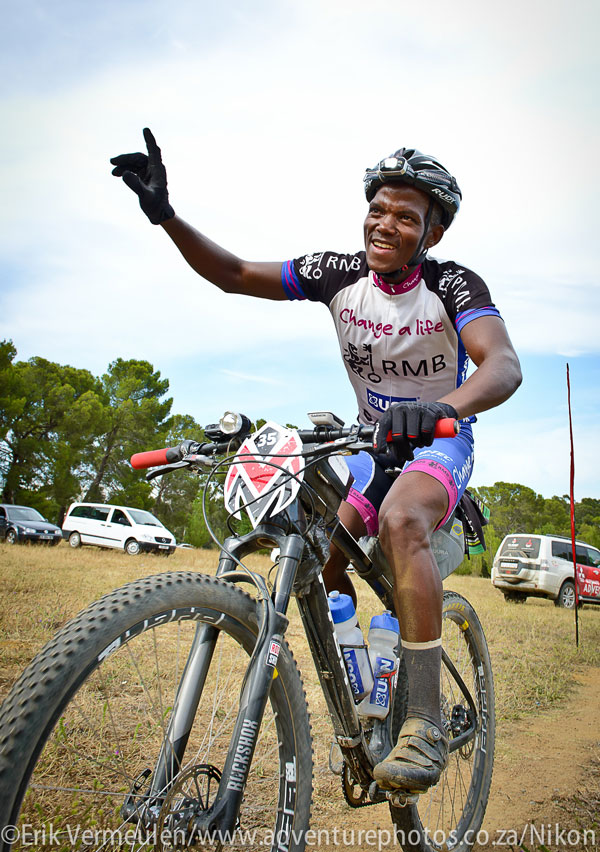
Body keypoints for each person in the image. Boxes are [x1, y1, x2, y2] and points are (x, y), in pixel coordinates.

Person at [111, 129, 522, 794]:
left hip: (437, 438)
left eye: (406, 218)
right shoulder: (339, 275)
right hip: (368, 441)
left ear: (432, 234)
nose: (384, 224)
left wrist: (441, 406)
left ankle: (422, 721)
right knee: (324, 546)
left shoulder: (451, 283)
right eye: (378, 209)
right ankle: (362, 690)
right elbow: (236, 275)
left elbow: (502, 364)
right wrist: (165, 217)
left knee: (400, 521)